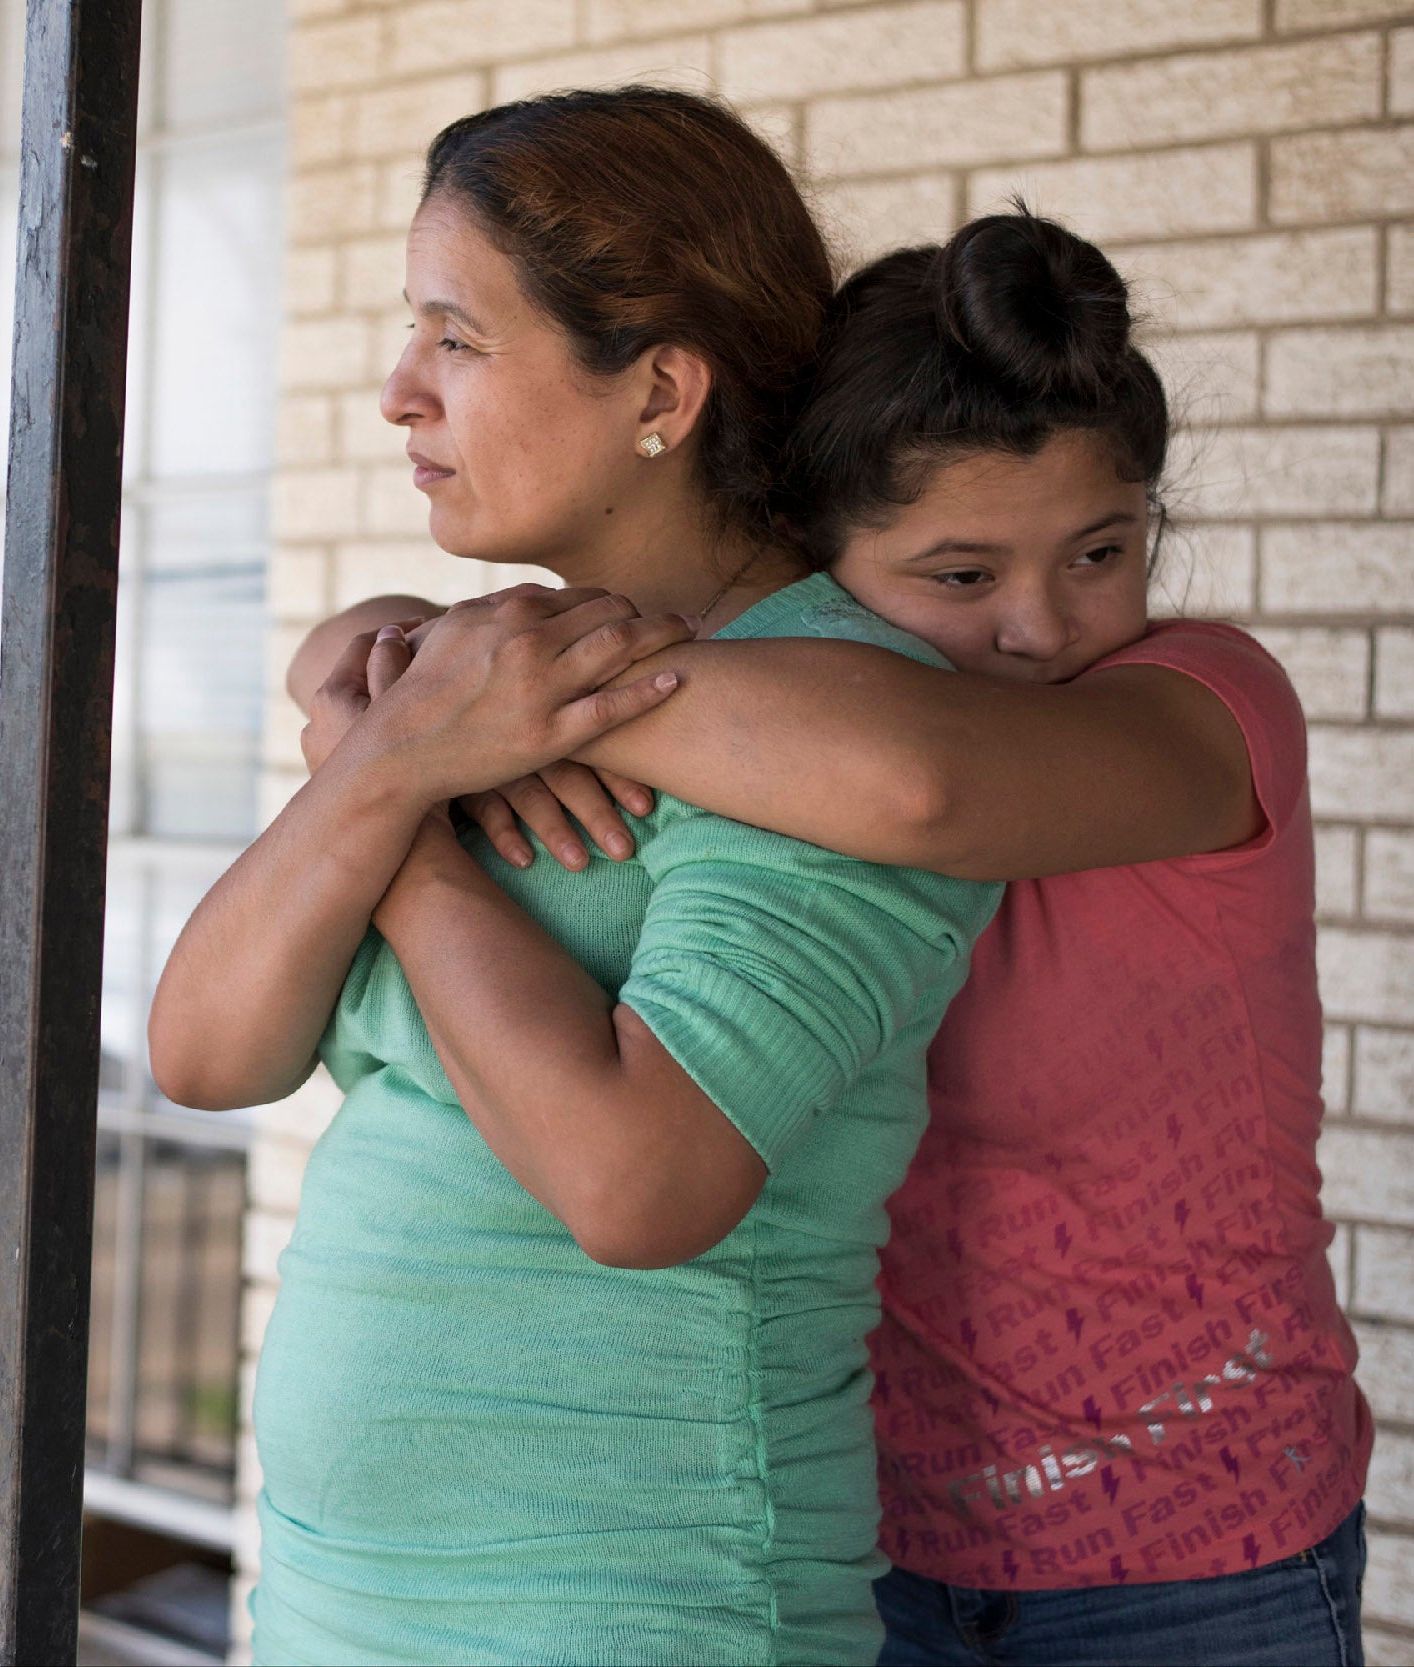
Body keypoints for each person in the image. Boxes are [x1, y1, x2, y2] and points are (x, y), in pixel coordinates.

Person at [404, 212, 1371, 1664]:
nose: (1042, 625)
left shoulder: (1206, 709)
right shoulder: (784, 715)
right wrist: (393, 669)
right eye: (962, 575)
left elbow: (933, 785)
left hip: (1201, 1551)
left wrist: (439, 709)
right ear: (822, 562)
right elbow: (431, 649)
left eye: (1101, 551)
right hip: (875, 1550)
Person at [147, 88, 1002, 1663]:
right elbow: (204, 1053)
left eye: (457, 340)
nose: (401, 393)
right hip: (342, 1607)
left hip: (633, 1600)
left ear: (660, 389)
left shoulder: (827, 716)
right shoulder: (477, 681)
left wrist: (392, 802)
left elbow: (641, 1183)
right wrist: (399, 755)